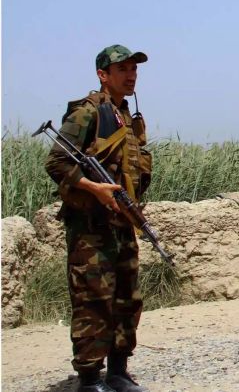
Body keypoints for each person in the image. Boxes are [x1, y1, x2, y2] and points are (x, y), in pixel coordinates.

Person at [45, 45, 153, 392]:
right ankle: (90, 378)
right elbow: (57, 162)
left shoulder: (129, 119)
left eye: (134, 69)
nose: (131, 74)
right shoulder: (87, 114)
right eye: (122, 69)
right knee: (93, 300)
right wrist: (95, 189)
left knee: (126, 298)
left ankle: (118, 371)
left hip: (122, 224)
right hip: (91, 228)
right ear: (103, 75)